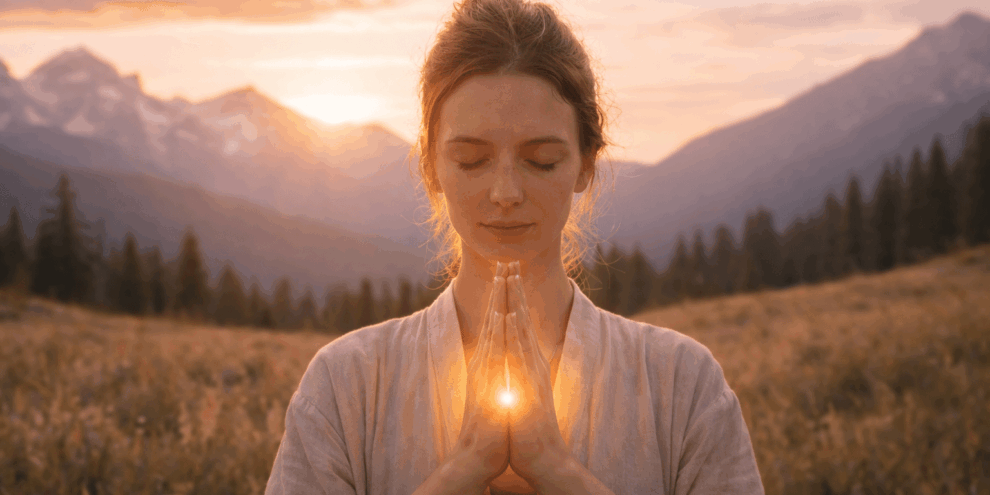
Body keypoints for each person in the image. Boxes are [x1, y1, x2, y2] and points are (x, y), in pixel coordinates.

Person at [265, 0, 765, 493]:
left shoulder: (684, 387)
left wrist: (555, 468)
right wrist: (461, 471)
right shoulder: (345, 387)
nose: (505, 193)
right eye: (471, 160)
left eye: (542, 160)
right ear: (430, 166)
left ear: (586, 164)